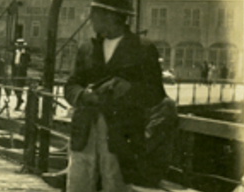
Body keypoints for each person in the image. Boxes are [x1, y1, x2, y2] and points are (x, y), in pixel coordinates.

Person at [64, 0, 169, 191]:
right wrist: (83, 95)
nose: (90, 19)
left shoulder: (143, 49)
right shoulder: (87, 48)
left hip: (121, 137)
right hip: (84, 133)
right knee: (78, 184)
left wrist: (129, 88)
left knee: (115, 184)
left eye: (94, 13)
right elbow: (71, 85)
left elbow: (156, 94)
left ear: (111, 16)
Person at [12, 38, 30, 111]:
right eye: (18, 45)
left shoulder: (25, 53)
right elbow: (13, 61)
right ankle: (19, 99)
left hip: (21, 72)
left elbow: (27, 62)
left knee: (19, 87)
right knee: (14, 88)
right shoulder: (15, 52)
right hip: (15, 71)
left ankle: (18, 102)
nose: (19, 46)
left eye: (20, 45)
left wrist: (22, 66)